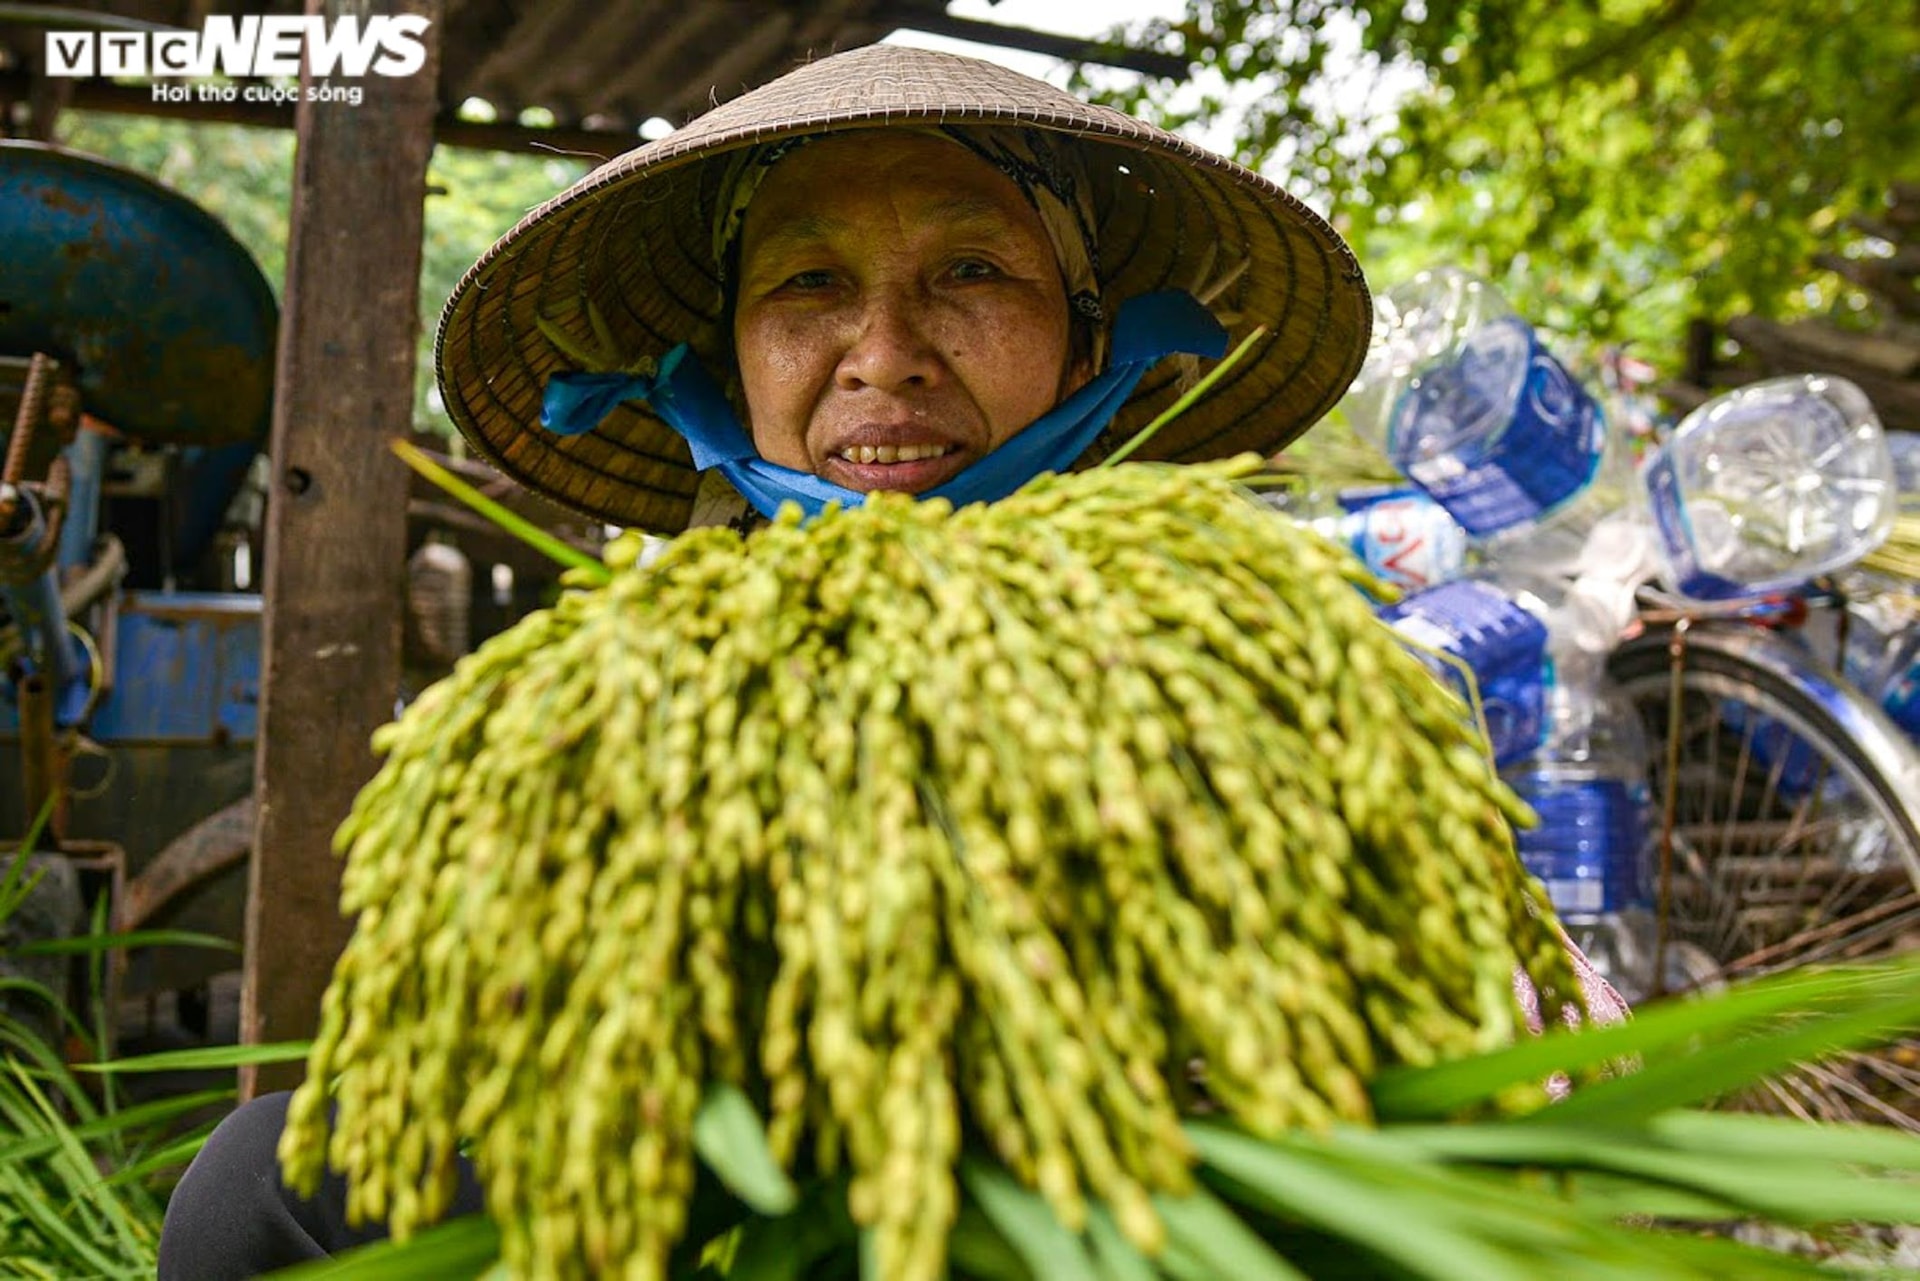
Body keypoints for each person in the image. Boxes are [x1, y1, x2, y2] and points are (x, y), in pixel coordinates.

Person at [159, 42, 1605, 1278]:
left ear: (1088, 333)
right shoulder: (644, 667)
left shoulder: (1267, 648)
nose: (884, 351)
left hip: (1143, 1200)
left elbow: (1499, 1046)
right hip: (717, 1174)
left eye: (968, 270)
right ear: (732, 360)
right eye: (809, 286)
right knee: (255, 1191)